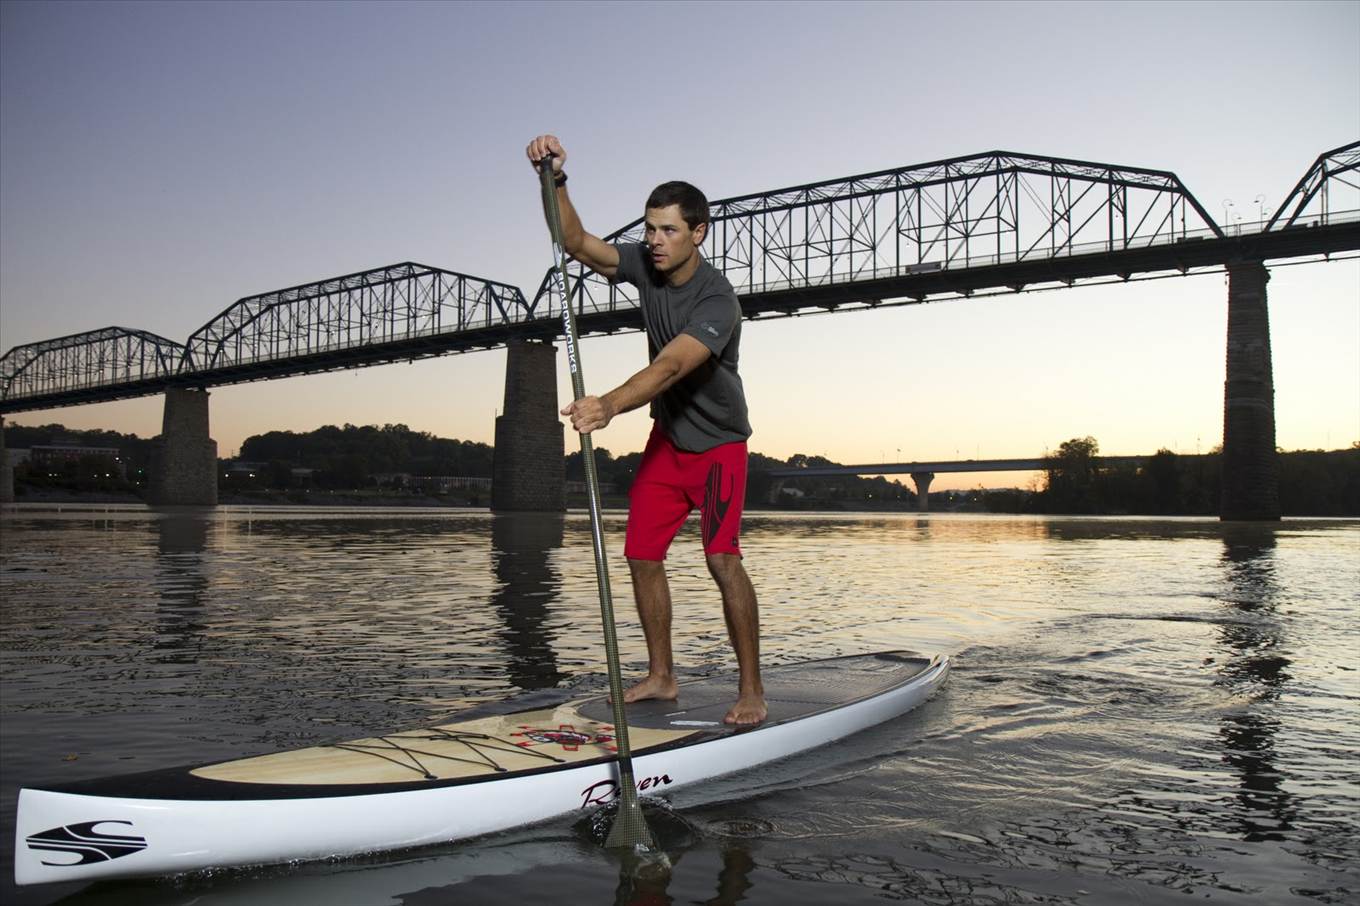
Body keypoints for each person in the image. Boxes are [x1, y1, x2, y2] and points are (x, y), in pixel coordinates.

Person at [526, 134, 766, 725]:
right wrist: (555, 181)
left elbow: (670, 367)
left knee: (721, 560)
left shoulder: (718, 301)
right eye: (650, 229)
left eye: (669, 231)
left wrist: (608, 405)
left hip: (718, 448)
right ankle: (662, 675)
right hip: (668, 441)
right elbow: (575, 242)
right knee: (640, 554)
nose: (655, 241)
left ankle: (752, 690)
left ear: (699, 233)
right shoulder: (645, 264)